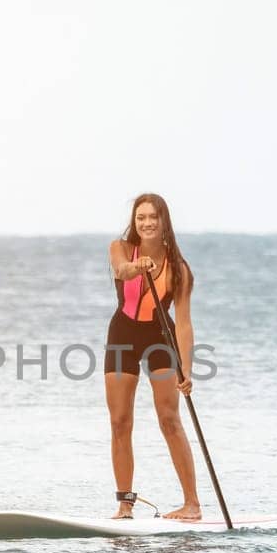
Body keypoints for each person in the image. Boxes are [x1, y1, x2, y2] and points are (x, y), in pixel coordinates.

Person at [104, 193, 200, 520]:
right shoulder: (120, 248)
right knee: (120, 421)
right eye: (140, 217)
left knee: (169, 419)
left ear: (164, 223)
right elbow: (121, 271)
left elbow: (184, 323)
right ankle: (125, 504)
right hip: (123, 334)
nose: (146, 223)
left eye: (152, 217)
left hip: (161, 337)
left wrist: (185, 368)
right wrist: (137, 265)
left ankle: (192, 504)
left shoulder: (180, 269)